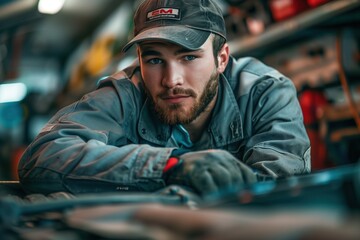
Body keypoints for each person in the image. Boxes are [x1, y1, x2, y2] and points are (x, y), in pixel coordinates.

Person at [18, 0, 310, 195]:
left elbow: (279, 190)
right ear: (139, 61)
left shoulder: (265, 92)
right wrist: (169, 166)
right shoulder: (126, 93)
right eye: (155, 60)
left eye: (188, 57)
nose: (172, 80)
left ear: (221, 59)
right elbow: (41, 158)